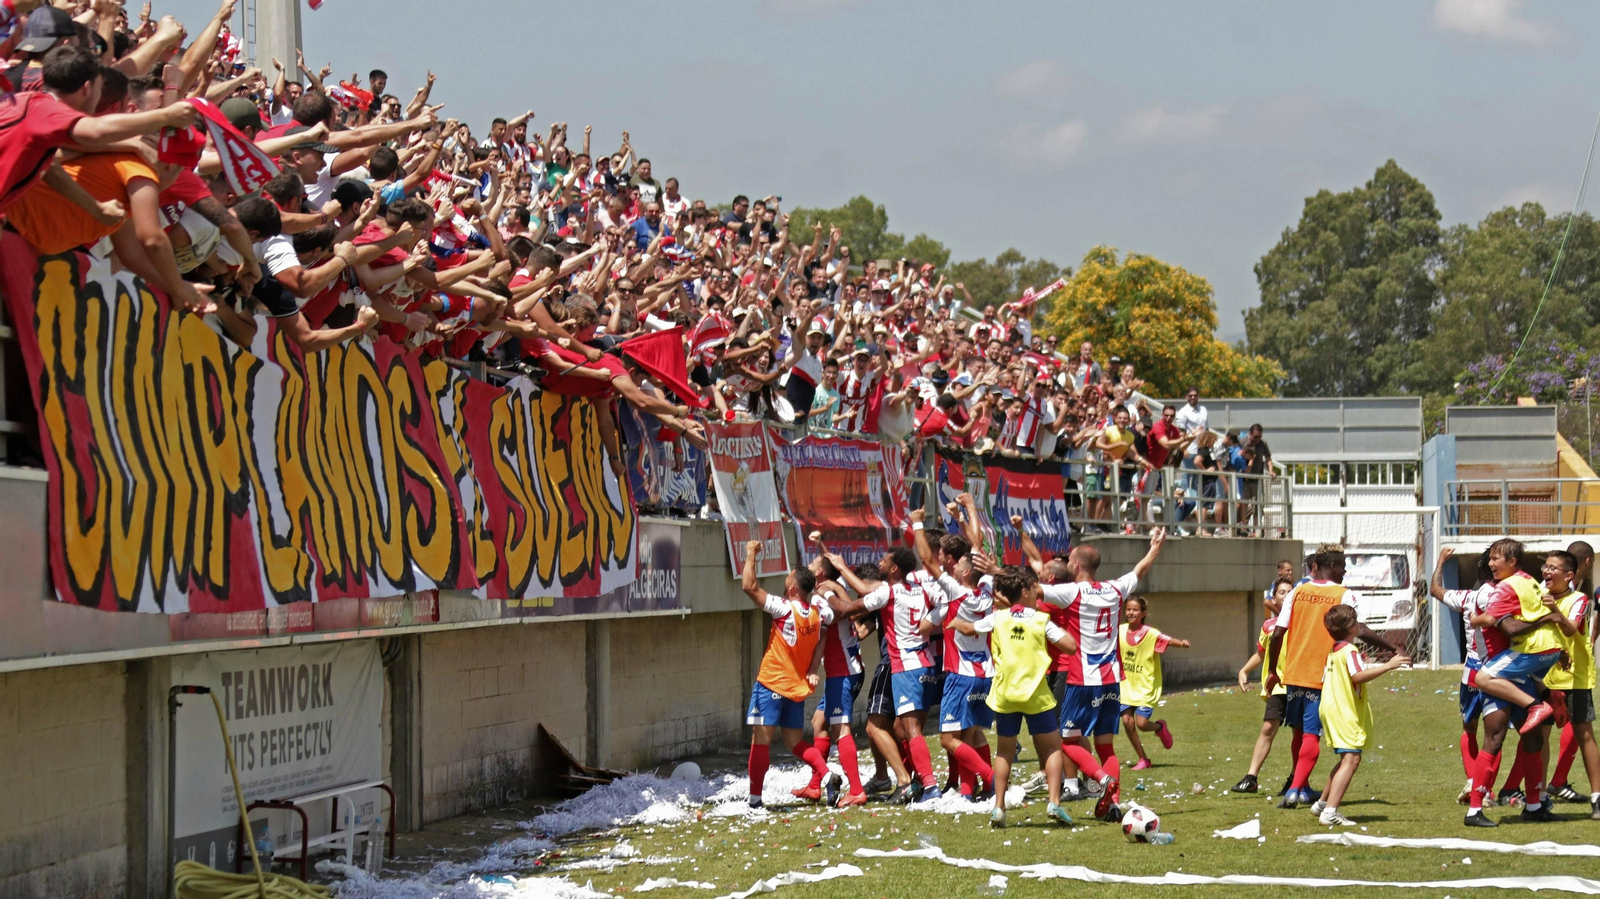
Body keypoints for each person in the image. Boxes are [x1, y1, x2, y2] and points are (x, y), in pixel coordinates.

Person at [1030, 528, 1167, 823]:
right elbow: (1139, 572)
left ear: (1076, 566)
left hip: (1082, 679)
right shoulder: (1116, 588)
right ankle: (1112, 805)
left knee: (1067, 741)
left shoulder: (1072, 591)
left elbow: (1035, 590)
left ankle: (1102, 780)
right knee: (1106, 745)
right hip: (1111, 679)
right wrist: (1154, 549)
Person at [1265, 544, 1398, 809]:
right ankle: (1294, 790)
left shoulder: (1297, 592)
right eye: (1343, 565)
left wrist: (1271, 671)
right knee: (1311, 734)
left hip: (1294, 672)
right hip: (1322, 673)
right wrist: (1392, 647)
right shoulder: (1344, 594)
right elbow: (1358, 629)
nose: (1346, 569)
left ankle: (1301, 785)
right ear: (1334, 566)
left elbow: (1278, 634)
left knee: (1299, 733)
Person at [946, 566, 1078, 828]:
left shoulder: (998, 618)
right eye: (1034, 589)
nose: (1037, 594)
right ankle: (1054, 802)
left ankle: (998, 808)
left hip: (1005, 695)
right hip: (1035, 695)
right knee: (1052, 747)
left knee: (1004, 751)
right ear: (1026, 591)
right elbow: (1070, 646)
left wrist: (957, 623)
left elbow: (970, 628)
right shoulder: (1040, 620)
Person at [1462, 538, 1565, 826]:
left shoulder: (1516, 586)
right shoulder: (1504, 587)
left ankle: (1534, 806)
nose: (1492, 564)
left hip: (1515, 666)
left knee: (1530, 738)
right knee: (1494, 739)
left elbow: (1506, 623)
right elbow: (1503, 624)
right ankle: (1474, 810)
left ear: (1513, 563)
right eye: (1490, 560)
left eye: (1497, 559)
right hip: (1499, 669)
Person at [827, 543, 939, 804]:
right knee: (902, 729)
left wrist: (830, 590)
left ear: (894, 568)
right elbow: (947, 602)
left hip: (900, 665)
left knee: (883, 728)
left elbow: (850, 607)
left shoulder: (886, 592)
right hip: (926, 662)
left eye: (884, 560)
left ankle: (915, 782)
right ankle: (912, 779)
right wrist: (933, 620)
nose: (880, 562)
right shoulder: (922, 586)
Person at [738, 540, 831, 809]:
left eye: (788, 578)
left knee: (761, 741)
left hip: (772, 683)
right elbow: (824, 634)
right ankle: (827, 774)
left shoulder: (784, 607)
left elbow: (749, 587)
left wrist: (750, 556)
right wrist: (813, 670)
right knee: (794, 742)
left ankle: (755, 801)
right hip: (796, 688)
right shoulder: (817, 614)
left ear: (791, 588)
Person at [916, 499, 995, 801]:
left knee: (949, 739)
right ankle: (968, 790)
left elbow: (926, 559)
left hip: (960, 673)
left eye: (963, 563)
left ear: (963, 574)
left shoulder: (956, 589)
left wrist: (918, 524)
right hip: (985, 672)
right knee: (973, 734)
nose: (963, 561)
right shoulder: (986, 589)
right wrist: (970, 509)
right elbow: (978, 544)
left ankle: (989, 777)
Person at [1312, 604, 1411, 826]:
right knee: (1352, 759)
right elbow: (1358, 676)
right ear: (1351, 627)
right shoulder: (1350, 651)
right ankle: (1330, 813)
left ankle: (1321, 804)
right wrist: (1389, 665)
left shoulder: (1334, 650)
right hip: (1343, 711)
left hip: (1331, 708)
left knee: (1345, 758)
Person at [1432, 548, 1499, 806]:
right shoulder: (1505, 597)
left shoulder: (1467, 597)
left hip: (1471, 670)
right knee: (1495, 732)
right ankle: (1485, 789)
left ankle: (1473, 781)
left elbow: (1435, 589)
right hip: (1496, 669)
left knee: (1469, 728)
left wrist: (1440, 563)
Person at [1542, 547, 1596, 817]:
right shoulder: (1539, 595)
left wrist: (1554, 611)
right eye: (1546, 567)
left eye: (1553, 568)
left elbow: (1571, 629)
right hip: (1543, 677)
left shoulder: (1579, 599)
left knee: (1584, 733)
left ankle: (1597, 797)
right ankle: (1537, 796)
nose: (1547, 572)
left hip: (1574, 677)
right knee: (1539, 735)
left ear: (1569, 574)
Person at [1234, 576, 1294, 793]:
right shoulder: (1269, 626)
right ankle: (1251, 777)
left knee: (1300, 734)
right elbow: (1261, 653)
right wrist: (1244, 670)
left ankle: (1295, 780)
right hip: (1277, 686)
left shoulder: (1300, 624)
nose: (1287, 595)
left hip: (1298, 684)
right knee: (1268, 727)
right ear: (1274, 599)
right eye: (1282, 592)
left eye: (1290, 592)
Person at [1118, 596, 1190, 770]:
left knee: (1142, 724)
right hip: (1125, 685)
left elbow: (1167, 640)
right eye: (1128, 609)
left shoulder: (1150, 633)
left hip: (1145, 686)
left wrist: (1181, 643)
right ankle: (1143, 759)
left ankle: (1159, 727)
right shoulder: (1119, 630)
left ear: (1143, 613)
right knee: (1127, 722)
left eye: (1135, 610)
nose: (1130, 613)